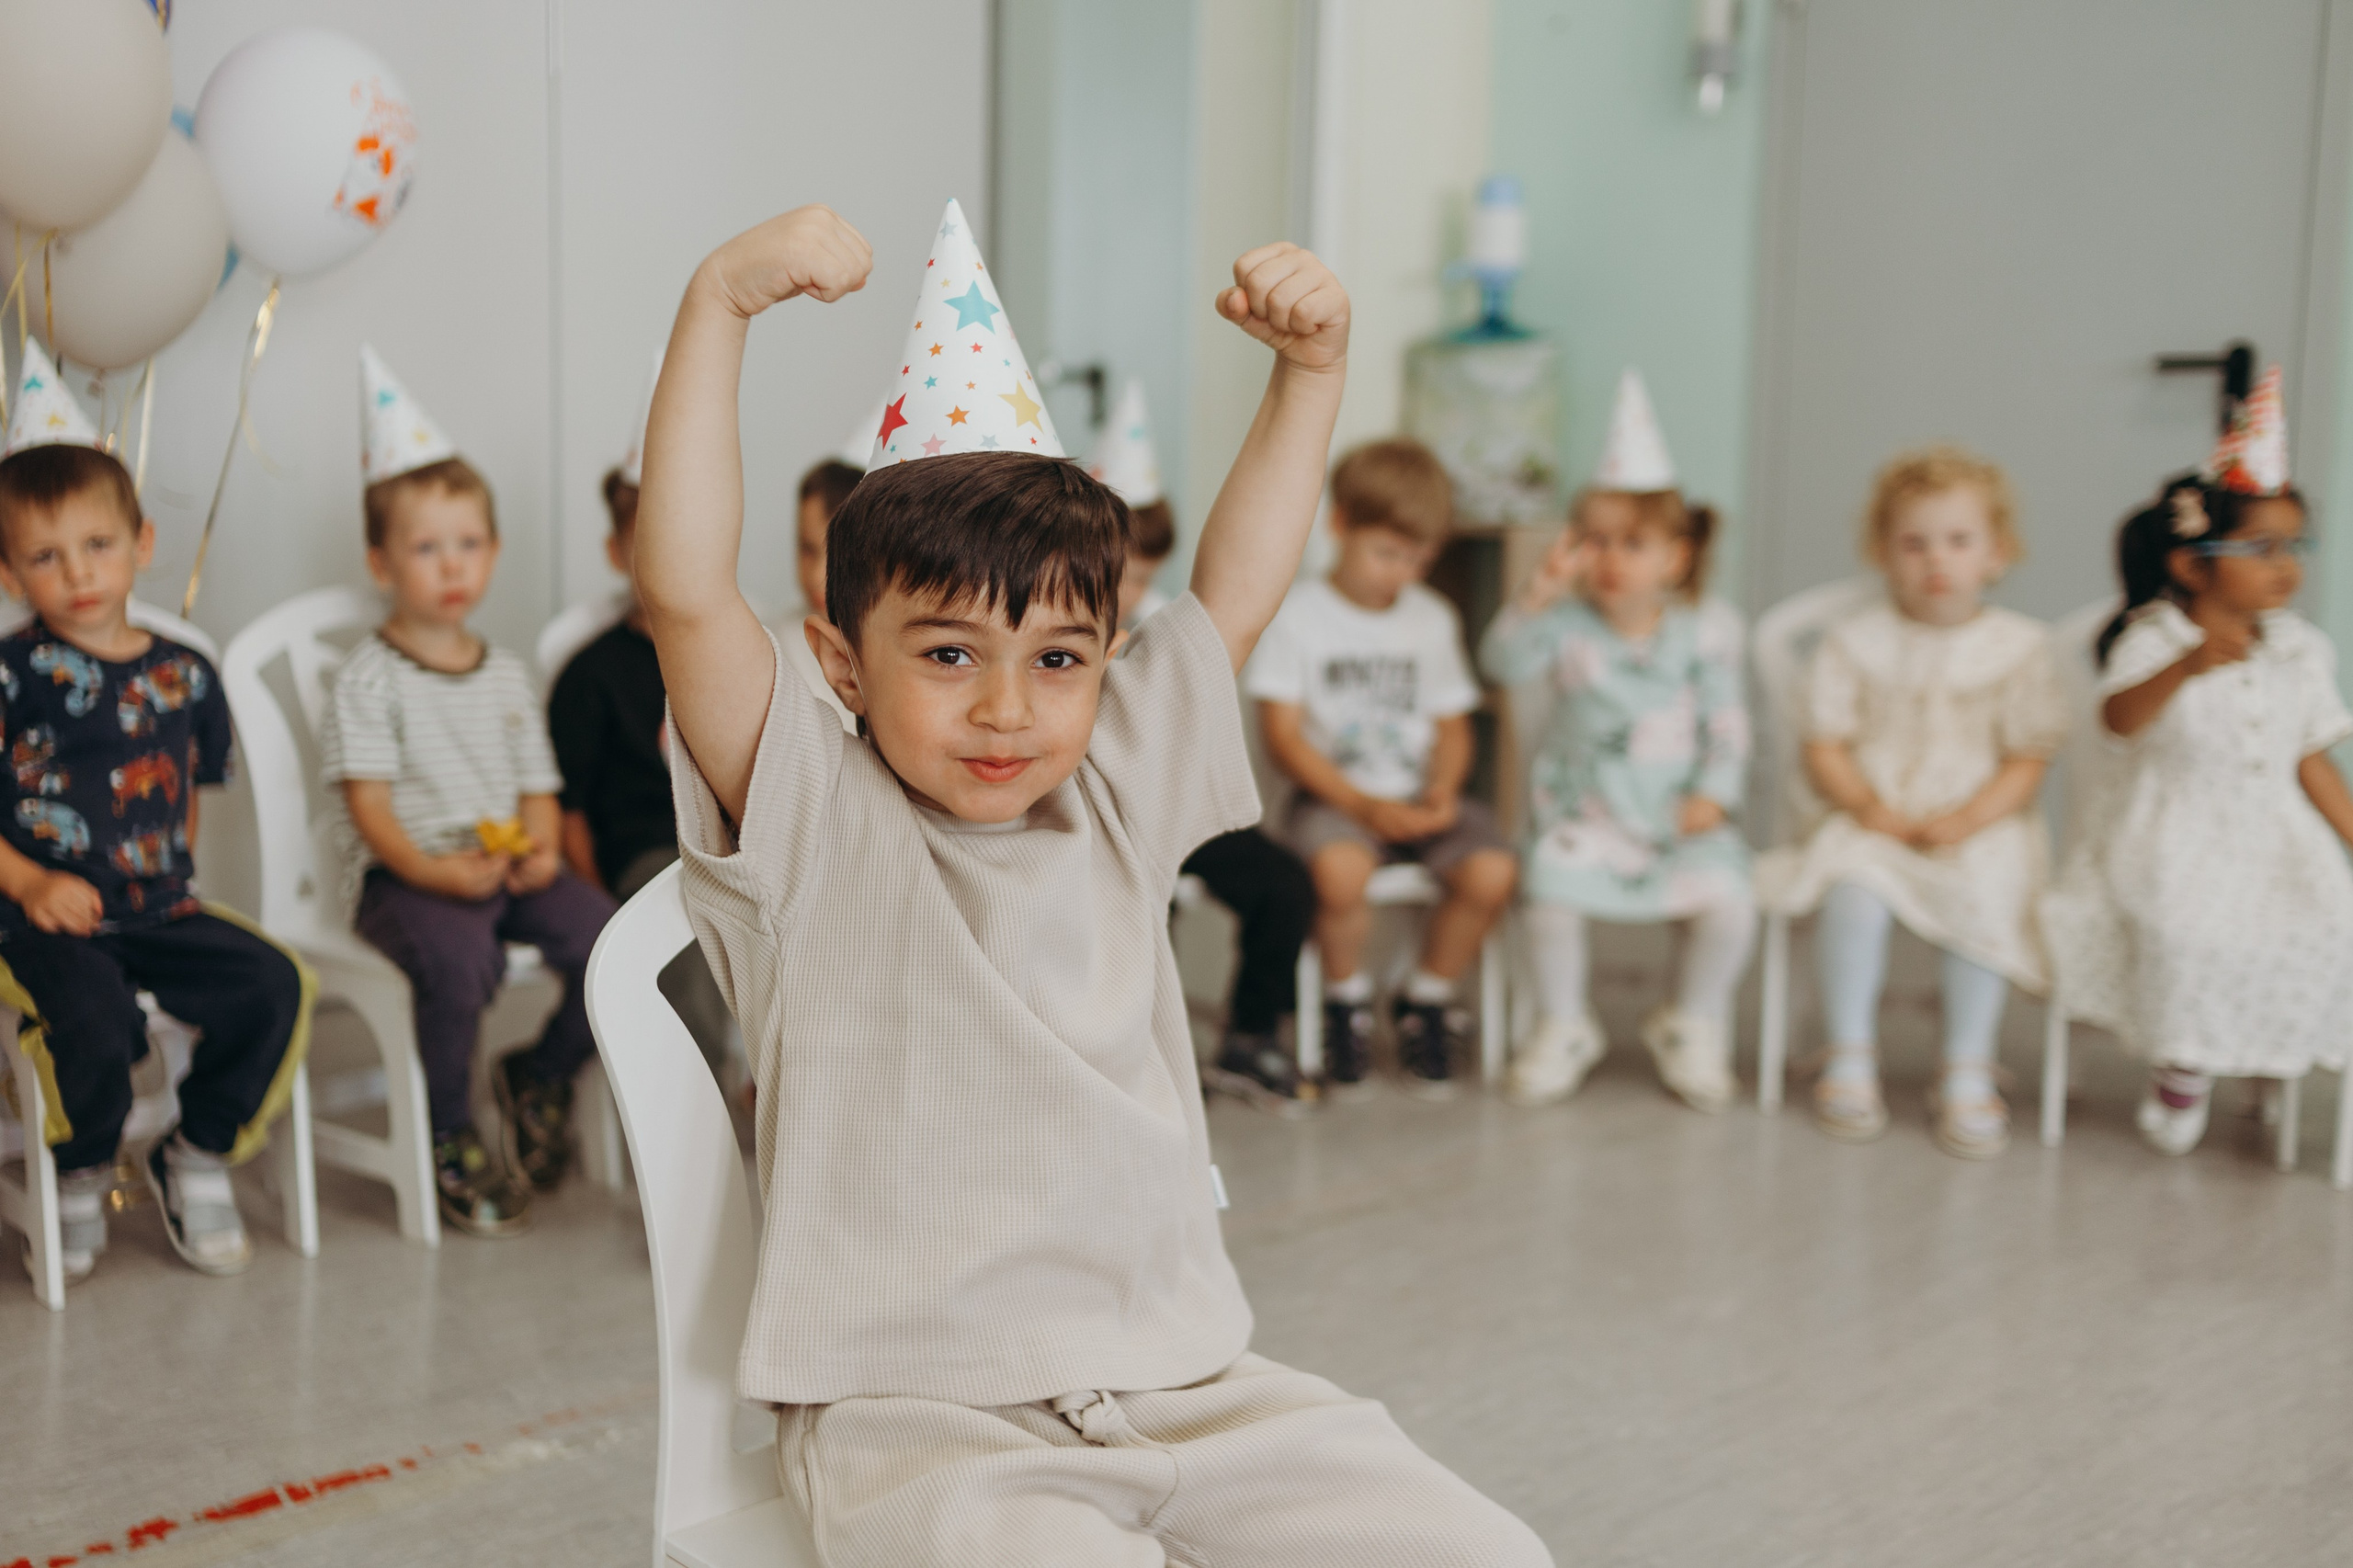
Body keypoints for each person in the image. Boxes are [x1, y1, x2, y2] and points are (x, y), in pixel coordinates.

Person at [631, 199, 1549, 1564]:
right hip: (924, 1412)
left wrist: (1312, 374)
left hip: (1190, 1385)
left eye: (1058, 658)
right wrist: (718, 304)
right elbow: (684, 591)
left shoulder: (1117, 779)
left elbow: (1236, 587)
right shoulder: (809, 804)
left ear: (1105, 661)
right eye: (947, 655)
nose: (1010, 709)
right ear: (840, 665)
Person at [0, 343, 309, 1284]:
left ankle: (197, 1147)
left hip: (161, 904)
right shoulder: (10, 675)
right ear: (11, 574)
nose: (78, 572)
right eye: (45, 556)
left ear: (142, 540)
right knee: (93, 1018)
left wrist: (178, 888)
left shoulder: (185, 672)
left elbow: (183, 795)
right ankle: (84, 1161)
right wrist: (31, 881)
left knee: (273, 983)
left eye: (97, 544)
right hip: (39, 909)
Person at [319, 347, 617, 1235]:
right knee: (457, 963)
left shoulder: (506, 673)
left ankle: (541, 1072)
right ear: (382, 561)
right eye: (425, 548)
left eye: (470, 544)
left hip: (499, 864)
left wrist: (535, 849)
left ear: (492, 550)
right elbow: (369, 806)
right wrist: (431, 872)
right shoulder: (370, 678)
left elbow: (537, 787)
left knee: (611, 939)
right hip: (405, 873)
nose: (452, 566)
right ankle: (450, 1130)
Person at [2042, 369, 2353, 1155]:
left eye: (2295, 546)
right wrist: (2183, 670)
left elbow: (2311, 758)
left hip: (2274, 834)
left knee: (2323, 919)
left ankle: (2264, 1055)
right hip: (2175, 828)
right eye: (2262, 548)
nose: (2288, 565)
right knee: (2191, 930)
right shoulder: (2156, 639)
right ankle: (2184, 1069)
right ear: (2192, 565)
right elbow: (2116, 720)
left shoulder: (2301, 649)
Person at [1755, 448, 2063, 1155]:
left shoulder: (2016, 647)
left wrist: (1970, 818)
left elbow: (2027, 757)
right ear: (1882, 553)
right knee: (1853, 890)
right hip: (1878, 812)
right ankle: (1850, 1052)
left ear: (1998, 553)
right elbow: (1825, 741)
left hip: (1977, 820)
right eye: (1914, 542)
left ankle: (1966, 1063)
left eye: (1959, 541)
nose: (1936, 561)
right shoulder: (1858, 640)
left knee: (1985, 894)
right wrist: (1867, 807)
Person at [1480, 369, 1753, 1113]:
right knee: (1550, 899)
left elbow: (1728, 730)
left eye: (1633, 543)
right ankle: (1563, 1022)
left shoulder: (1703, 636)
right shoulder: (1562, 628)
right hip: (1587, 814)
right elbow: (1500, 663)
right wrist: (1537, 594)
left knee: (1729, 904)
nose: (1610, 558)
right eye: (1593, 540)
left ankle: (1689, 1020)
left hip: (1674, 817)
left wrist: (1712, 796)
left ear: (1678, 556)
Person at [1245, 437, 1518, 1098]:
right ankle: (1346, 1001)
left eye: (1418, 559)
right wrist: (1364, 807)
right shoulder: (1298, 617)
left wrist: (1443, 790)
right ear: (1341, 525)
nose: (1399, 572)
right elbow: (1285, 738)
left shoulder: (1431, 619)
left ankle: (1426, 998)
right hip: (1333, 798)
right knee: (1339, 872)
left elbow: (1453, 725)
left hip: (1418, 796)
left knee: (1492, 870)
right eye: (1386, 553)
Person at [1101, 379, 1316, 1114]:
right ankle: (1129, 1048)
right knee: (1129, 895)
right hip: (1097, 817)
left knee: (1284, 883)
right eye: (1121, 573)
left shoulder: (1168, 632)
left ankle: (1251, 1038)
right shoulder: (1050, 629)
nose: (1131, 590)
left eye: (1144, 576)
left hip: (1175, 805)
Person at [548, 358, 736, 1079]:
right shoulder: (590, 675)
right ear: (614, 551)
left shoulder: (727, 657)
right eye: (644, 535)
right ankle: (701, 1097)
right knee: (688, 918)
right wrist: (598, 904)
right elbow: (567, 807)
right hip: (642, 861)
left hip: (723, 851)